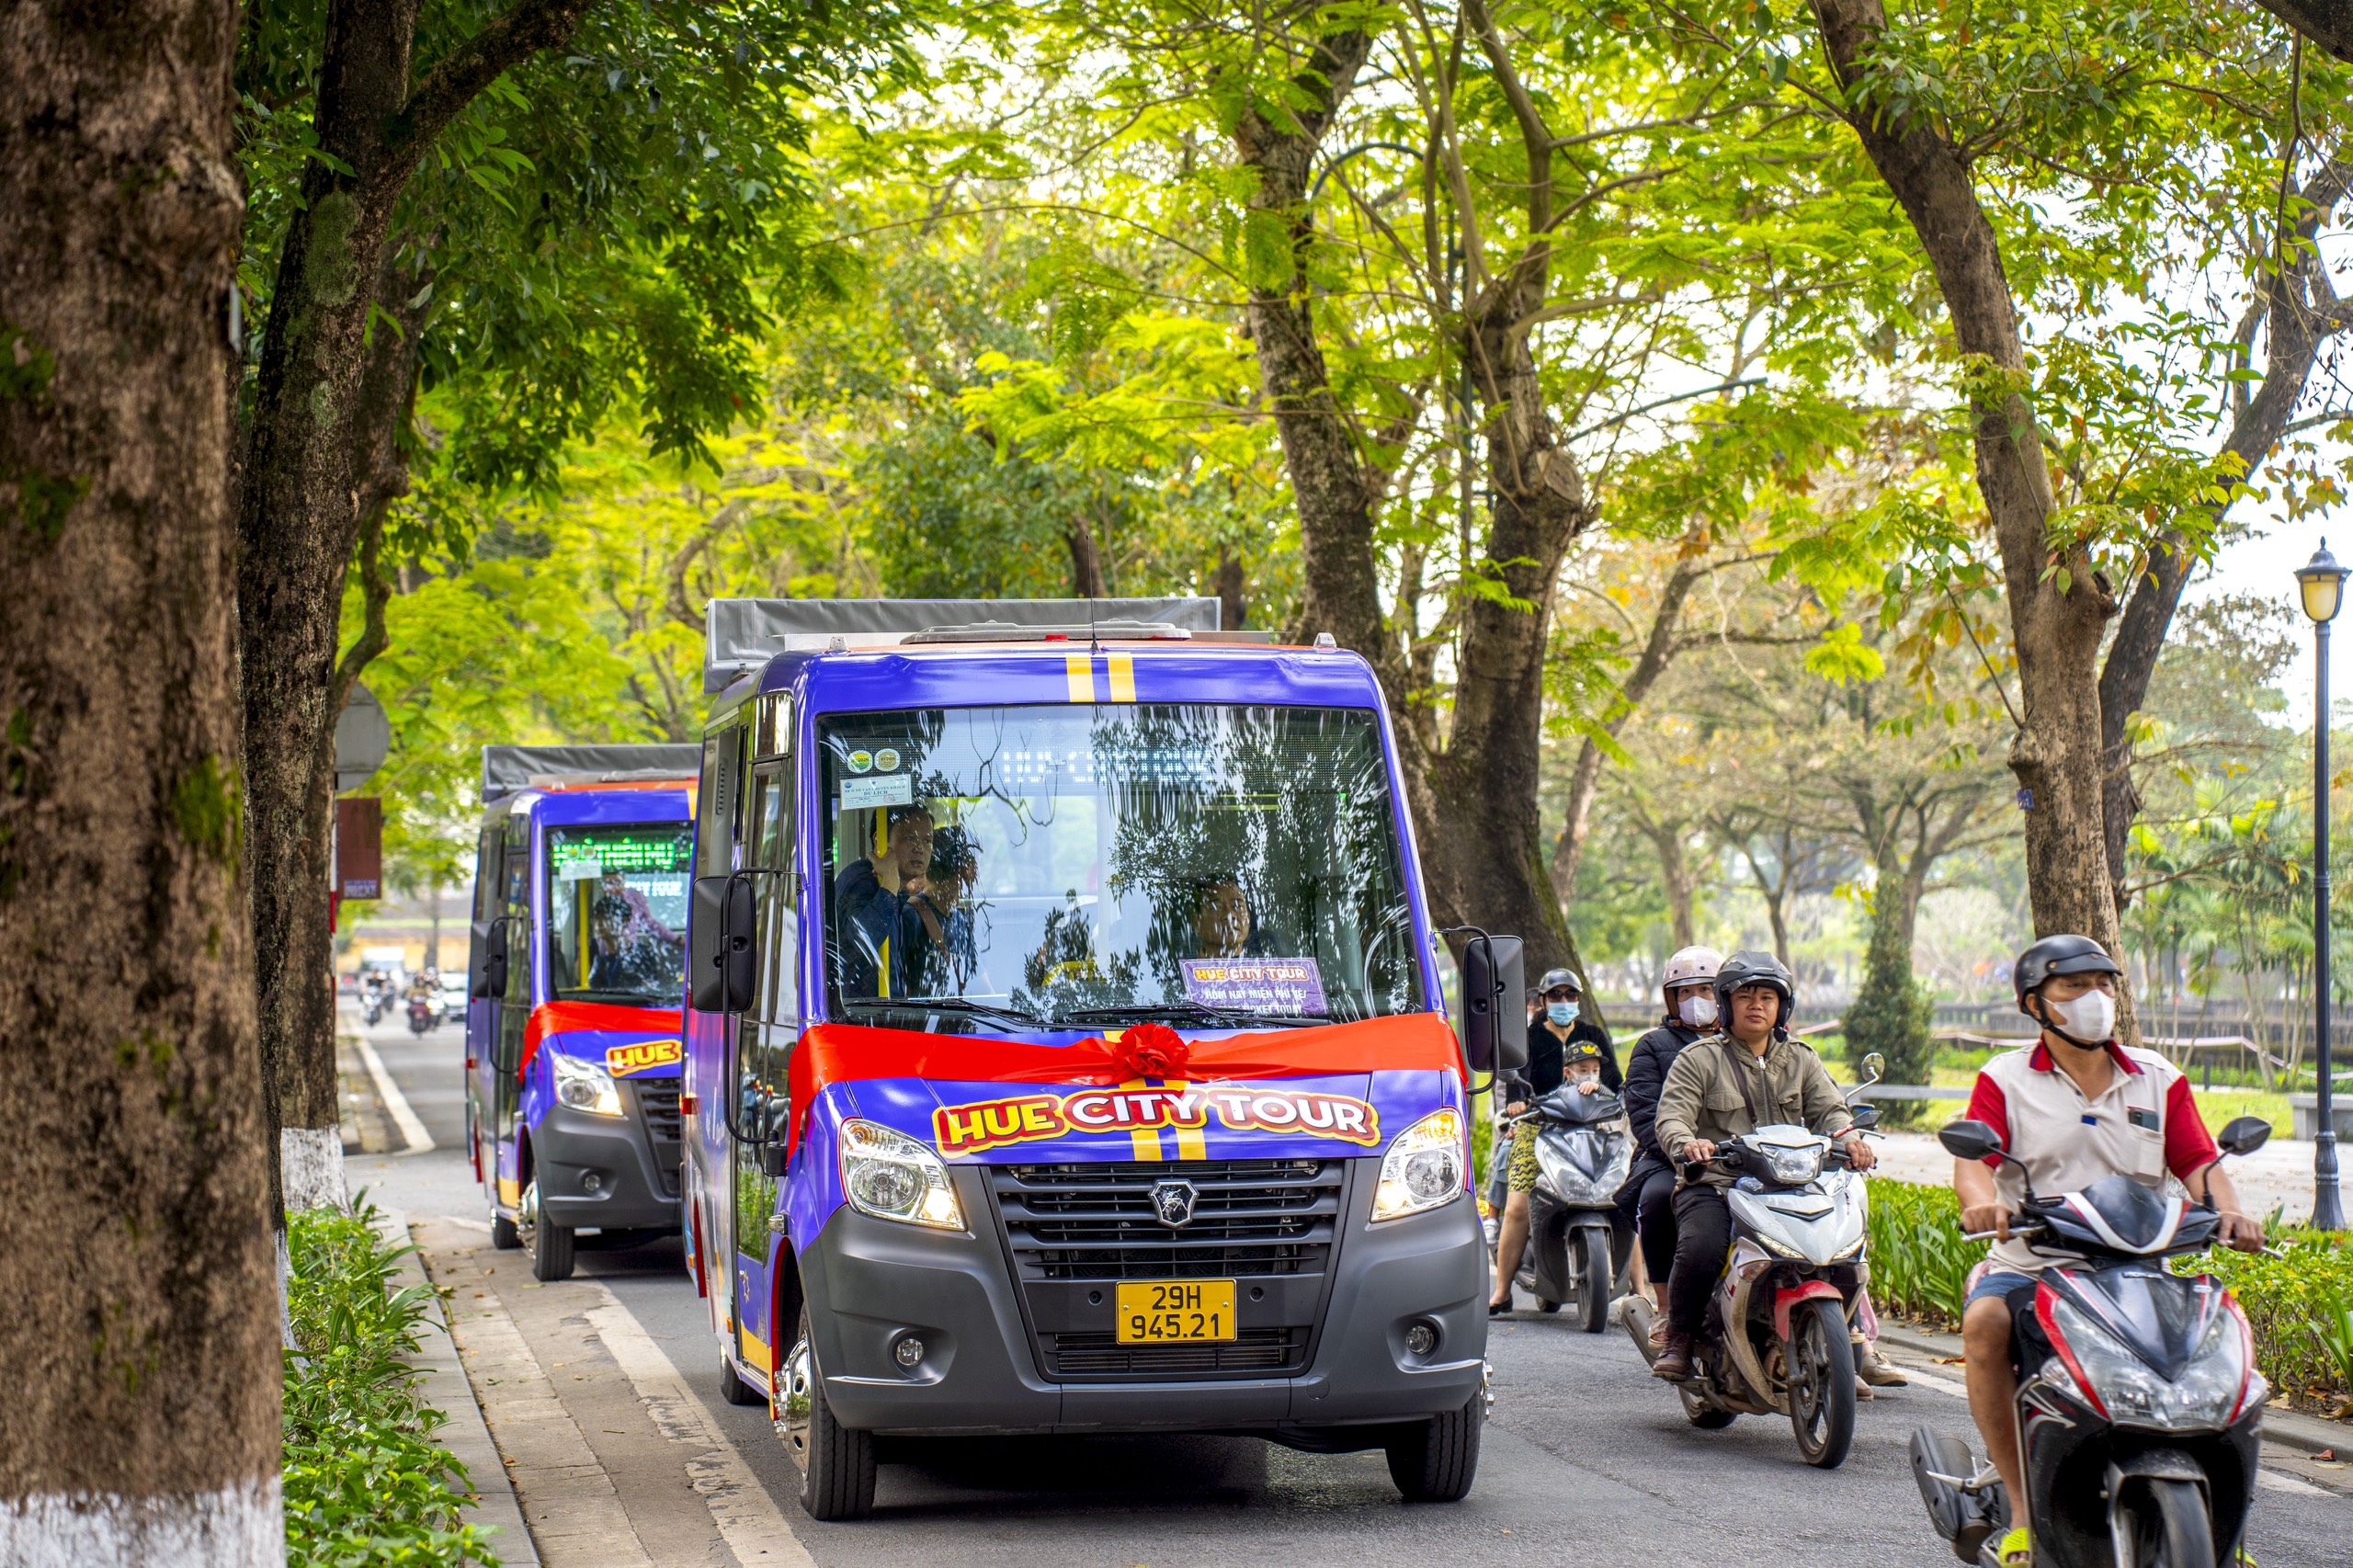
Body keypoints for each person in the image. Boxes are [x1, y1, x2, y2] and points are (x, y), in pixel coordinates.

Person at [1955, 935, 2263, 1568]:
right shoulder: (2005, 1078)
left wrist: (2229, 1210)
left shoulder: (2158, 1077)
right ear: (2033, 1003)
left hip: (2143, 1265)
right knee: (1985, 1323)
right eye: (2073, 986)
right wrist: (1983, 1205)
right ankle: (2020, 1515)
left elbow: (2200, 1163)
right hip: (2036, 1263)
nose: (2095, 998)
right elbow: (1974, 1164)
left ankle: (2224, 1530)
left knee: (2230, 1343)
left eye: (2104, 984)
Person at [1650, 950, 1877, 1381]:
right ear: (1726, 1004)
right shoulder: (1698, 1059)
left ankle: (1846, 1333)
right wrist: (1688, 1144)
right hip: (1719, 1182)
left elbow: (1831, 1110)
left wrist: (1850, 1138)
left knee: (1845, 1247)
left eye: (1768, 997)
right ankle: (1681, 1335)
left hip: (1792, 1185)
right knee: (1702, 1246)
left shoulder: (1802, 1058)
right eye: (1746, 996)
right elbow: (1672, 1117)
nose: (1757, 1005)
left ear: (1782, 1007)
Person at [1489, 968, 1619, 1313]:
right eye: (1556, 996)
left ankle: (1643, 1290)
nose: (1564, 1002)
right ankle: (1502, 1291)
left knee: (1625, 1195)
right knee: (1517, 1206)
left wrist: (1605, 1092)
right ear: (1544, 1002)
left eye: (1570, 996)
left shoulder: (1593, 1035)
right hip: (1538, 1128)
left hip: (1592, 1127)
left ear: (1579, 999)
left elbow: (1616, 1083)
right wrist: (1517, 1101)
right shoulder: (1528, 1038)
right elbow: (1517, 1084)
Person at [1615, 945, 1722, 1336]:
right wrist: (1683, 1149)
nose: (1697, 1001)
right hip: (1668, 1157)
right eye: (1686, 992)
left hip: (1738, 1156)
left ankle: (1855, 1338)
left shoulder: (1744, 1043)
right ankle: (1665, 1309)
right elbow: (1644, 1113)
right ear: (1671, 999)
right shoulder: (1653, 1046)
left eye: (1707, 990)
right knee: (1657, 1198)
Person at [832, 804, 934, 996]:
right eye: (910, 838)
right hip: (859, 1022)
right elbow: (864, 942)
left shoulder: (897, 894)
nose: (920, 848)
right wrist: (888, 886)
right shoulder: (862, 882)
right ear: (879, 840)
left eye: (927, 841)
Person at [905, 826, 980, 995]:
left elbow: (983, 988)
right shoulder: (911, 918)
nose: (977, 875)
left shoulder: (960, 921)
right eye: (976, 866)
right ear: (966, 870)